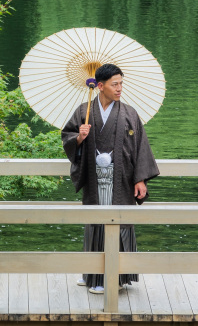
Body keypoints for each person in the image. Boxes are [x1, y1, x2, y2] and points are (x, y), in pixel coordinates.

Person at [61, 63, 159, 294]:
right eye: (114, 84)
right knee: (95, 223)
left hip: (122, 179)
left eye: (121, 83)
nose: (119, 88)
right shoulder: (84, 111)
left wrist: (140, 179)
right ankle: (92, 274)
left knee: (119, 222)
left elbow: (140, 147)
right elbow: (67, 137)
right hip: (94, 179)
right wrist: (79, 138)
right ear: (100, 86)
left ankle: (115, 277)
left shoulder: (129, 113)